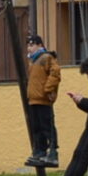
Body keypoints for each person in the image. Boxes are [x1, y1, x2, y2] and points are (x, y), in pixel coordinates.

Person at [21, 34, 63, 169]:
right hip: (33, 99)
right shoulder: (33, 61)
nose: (29, 48)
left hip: (43, 99)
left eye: (32, 45)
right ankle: (40, 151)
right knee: (37, 128)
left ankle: (52, 152)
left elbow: (55, 72)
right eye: (28, 45)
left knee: (47, 126)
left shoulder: (46, 58)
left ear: (39, 45)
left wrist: (48, 89)